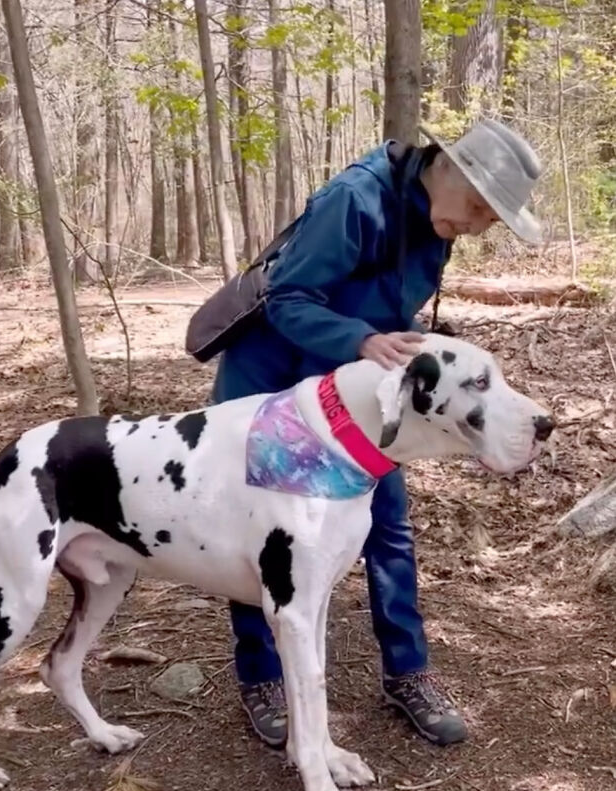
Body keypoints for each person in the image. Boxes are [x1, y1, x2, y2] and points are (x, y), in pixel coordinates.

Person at [210, 119, 543, 749]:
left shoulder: (435, 223)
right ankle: (262, 678)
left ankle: (407, 672)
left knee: (387, 524)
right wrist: (360, 339)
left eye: (488, 220)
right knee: (268, 534)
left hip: (358, 393)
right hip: (275, 379)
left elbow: (385, 303)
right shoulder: (356, 200)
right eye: (476, 207)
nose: (474, 225)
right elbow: (287, 298)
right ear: (448, 168)